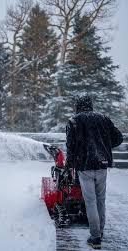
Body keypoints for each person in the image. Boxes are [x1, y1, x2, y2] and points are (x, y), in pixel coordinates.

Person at [65, 95, 123, 250]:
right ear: (90, 105)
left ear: (78, 106)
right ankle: (100, 232)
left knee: (90, 201)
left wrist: (68, 165)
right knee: (100, 200)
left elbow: (70, 148)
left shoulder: (73, 121)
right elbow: (119, 138)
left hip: (84, 167)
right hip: (102, 165)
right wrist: (104, 144)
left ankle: (95, 237)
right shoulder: (104, 118)